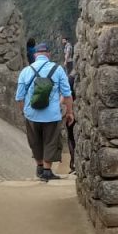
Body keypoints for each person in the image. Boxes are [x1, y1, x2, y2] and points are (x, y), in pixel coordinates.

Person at [15, 41, 74, 182]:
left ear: (35, 55)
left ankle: (39, 168)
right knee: (51, 141)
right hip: (52, 115)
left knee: (35, 141)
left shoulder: (26, 71)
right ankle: (48, 171)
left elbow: (19, 97)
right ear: (48, 54)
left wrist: (25, 111)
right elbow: (67, 94)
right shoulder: (58, 69)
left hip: (32, 115)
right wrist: (70, 112)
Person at [60, 34, 77, 173]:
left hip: (72, 112)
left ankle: (73, 165)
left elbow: (66, 95)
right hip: (81, 111)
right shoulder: (76, 78)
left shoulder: (69, 80)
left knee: (71, 137)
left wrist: (66, 111)